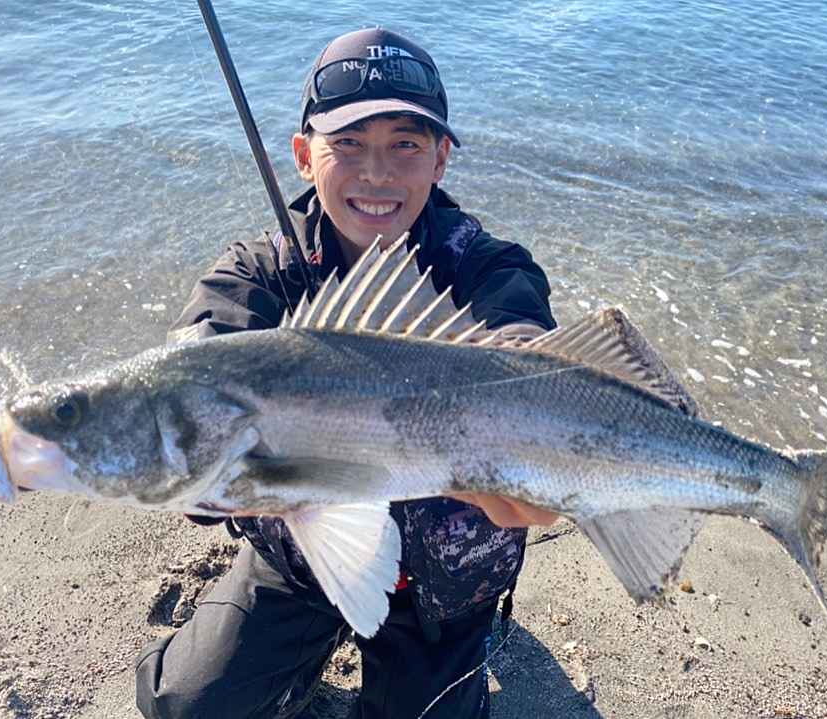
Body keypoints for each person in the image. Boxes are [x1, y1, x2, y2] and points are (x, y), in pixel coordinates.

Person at [135, 27, 558, 719]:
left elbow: (527, 351)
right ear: (304, 156)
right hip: (303, 564)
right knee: (183, 705)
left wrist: (534, 456)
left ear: (440, 158)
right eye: (348, 143)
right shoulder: (256, 274)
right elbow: (183, 398)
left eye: (405, 144)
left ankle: (464, 643)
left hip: (443, 588)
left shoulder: (490, 268)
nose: (377, 172)